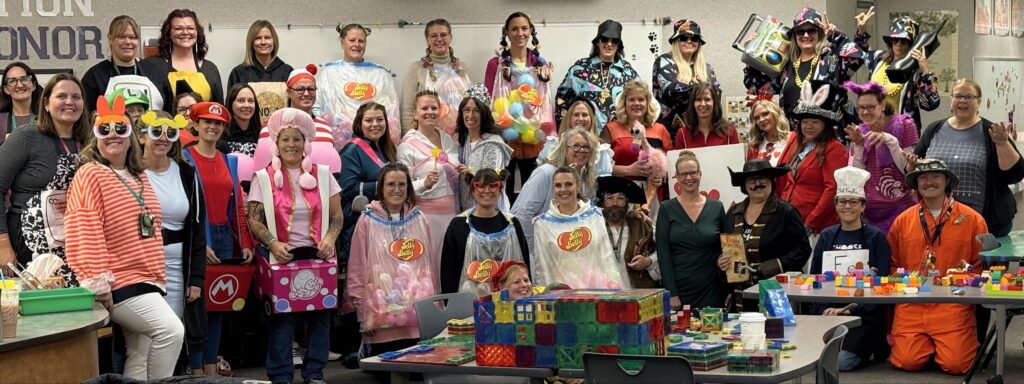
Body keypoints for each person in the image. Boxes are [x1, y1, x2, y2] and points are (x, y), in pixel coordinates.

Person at [65, 96, 183, 380]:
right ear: (95, 136)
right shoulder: (90, 173)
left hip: (149, 277)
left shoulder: (138, 175)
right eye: (104, 130)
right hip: (119, 281)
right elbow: (83, 228)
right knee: (171, 332)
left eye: (121, 128)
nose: (114, 135)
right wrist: (97, 282)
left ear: (132, 136)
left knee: (141, 352)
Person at [246, 108, 342, 384]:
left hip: (319, 255)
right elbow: (254, 219)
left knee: (321, 320)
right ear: (276, 143)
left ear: (306, 143)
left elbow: (337, 215)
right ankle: (281, 377)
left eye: (297, 139)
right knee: (282, 322)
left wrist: (330, 239)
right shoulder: (263, 178)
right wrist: (272, 243)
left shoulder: (323, 175)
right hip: (282, 258)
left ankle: (315, 373)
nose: (291, 145)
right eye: (285, 139)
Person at [887, 158, 983, 375]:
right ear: (917, 183)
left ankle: (942, 347)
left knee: (957, 365)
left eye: (935, 176)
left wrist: (962, 288)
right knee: (908, 361)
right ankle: (927, 346)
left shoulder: (972, 219)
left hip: (953, 304)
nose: (929, 182)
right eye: (923, 177)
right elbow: (893, 265)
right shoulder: (902, 221)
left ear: (947, 180)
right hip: (912, 302)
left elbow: (979, 266)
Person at [183, 101, 253, 376]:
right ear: (196, 125)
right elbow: (188, 209)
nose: (212, 127)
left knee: (219, 306)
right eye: (207, 122)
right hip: (200, 237)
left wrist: (245, 242)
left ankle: (211, 368)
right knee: (197, 308)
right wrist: (202, 243)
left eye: (218, 123)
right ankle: (195, 368)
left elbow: (235, 206)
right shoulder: (185, 160)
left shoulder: (227, 160)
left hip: (224, 237)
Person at [136, 109, 208, 372]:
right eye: (156, 132)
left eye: (170, 133)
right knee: (140, 343)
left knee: (174, 335)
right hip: (141, 267)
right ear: (142, 137)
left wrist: (196, 279)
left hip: (179, 268)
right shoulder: (129, 172)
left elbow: (198, 229)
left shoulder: (187, 173)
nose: (163, 139)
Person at [0, 73, 88, 277]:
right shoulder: (26, 136)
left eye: (76, 97)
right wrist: (3, 244)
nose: (69, 102)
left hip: (76, 244)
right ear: (47, 104)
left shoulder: (89, 142)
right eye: (61, 96)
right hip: (28, 244)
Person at [346, 162, 438, 356]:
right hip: (382, 319)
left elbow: (429, 267)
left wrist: (434, 307)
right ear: (380, 188)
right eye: (391, 184)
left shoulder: (419, 218)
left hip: (416, 318)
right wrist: (363, 312)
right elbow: (357, 267)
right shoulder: (368, 220)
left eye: (402, 185)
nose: (397, 190)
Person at [912, 79, 1024, 237]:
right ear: (951, 100)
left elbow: (1015, 174)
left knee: (984, 263)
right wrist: (911, 165)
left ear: (978, 102)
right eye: (958, 96)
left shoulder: (992, 132)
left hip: (986, 223)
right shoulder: (934, 129)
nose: (962, 101)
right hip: (939, 223)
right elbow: (915, 168)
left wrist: (1002, 144)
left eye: (969, 97)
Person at [809, 166, 891, 371]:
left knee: (839, 362)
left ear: (863, 206)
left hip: (862, 316)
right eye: (843, 201)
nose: (848, 206)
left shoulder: (877, 238)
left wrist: (848, 308)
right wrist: (824, 309)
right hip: (828, 314)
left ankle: (868, 348)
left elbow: (882, 283)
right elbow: (814, 280)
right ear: (835, 204)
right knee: (809, 356)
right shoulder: (826, 236)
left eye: (853, 202)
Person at [743, 6, 864, 126]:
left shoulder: (831, 59)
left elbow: (857, 58)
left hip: (828, 136)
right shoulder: (786, 66)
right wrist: (751, 51)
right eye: (800, 31)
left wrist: (835, 36)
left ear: (819, 33)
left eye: (811, 30)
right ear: (795, 36)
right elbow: (758, 87)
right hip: (795, 137)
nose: (806, 35)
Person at [484, 12, 554, 205]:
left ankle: (528, 229)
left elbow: (545, 100)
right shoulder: (495, 64)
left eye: (524, 28)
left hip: (533, 134)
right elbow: (490, 97)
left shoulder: (540, 64)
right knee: (504, 187)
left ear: (531, 31)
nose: (520, 33)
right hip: (506, 133)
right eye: (514, 29)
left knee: (533, 188)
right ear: (506, 32)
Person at [723, 159, 810, 311]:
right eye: (751, 180)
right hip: (741, 294)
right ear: (744, 185)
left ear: (771, 181)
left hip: (777, 290)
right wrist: (722, 262)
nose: (757, 184)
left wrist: (772, 267)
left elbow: (802, 250)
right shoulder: (733, 213)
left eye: (763, 178)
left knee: (775, 333)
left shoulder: (786, 212)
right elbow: (727, 252)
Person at [532, 166, 627, 289]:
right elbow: (543, 268)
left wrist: (615, 287)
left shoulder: (595, 216)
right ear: (553, 189)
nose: (563, 189)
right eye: (558, 185)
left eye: (568, 184)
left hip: (597, 293)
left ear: (578, 186)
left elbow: (606, 257)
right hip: (563, 298)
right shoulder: (543, 224)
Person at [511, 127, 601, 257]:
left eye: (587, 147)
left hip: (570, 253)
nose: (581, 150)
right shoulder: (546, 173)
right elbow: (522, 213)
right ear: (564, 149)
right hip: (542, 252)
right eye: (575, 146)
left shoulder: (587, 180)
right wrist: (533, 251)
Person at [657, 151, 728, 310]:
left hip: (712, 287)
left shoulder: (717, 207)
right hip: (680, 289)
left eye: (693, 173)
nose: (689, 178)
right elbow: (663, 253)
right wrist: (671, 292)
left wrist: (729, 288)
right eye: (683, 174)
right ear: (677, 177)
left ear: (700, 174)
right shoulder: (666, 208)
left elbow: (726, 247)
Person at [440, 169, 529, 296]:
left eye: (493, 186)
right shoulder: (458, 225)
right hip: (469, 306)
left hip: (510, 304)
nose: (487, 191)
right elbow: (449, 271)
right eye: (481, 186)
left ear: (500, 190)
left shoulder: (512, 223)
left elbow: (524, 264)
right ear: (472, 190)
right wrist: (450, 304)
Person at [843, 81, 918, 232]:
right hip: (871, 210)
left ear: (882, 105)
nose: (865, 112)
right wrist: (858, 145)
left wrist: (889, 140)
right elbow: (859, 175)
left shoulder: (904, 124)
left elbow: (907, 168)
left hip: (901, 205)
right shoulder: (860, 131)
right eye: (861, 108)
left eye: (871, 107)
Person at [397, 90, 465, 257]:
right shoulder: (407, 145)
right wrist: (423, 184)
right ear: (415, 114)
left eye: (434, 108)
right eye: (424, 108)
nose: (430, 112)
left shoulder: (448, 140)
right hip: (425, 216)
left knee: (448, 263)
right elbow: (400, 187)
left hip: (451, 214)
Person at [778, 81, 847, 240]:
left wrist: (811, 222)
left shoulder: (834, 149)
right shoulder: (798, 146)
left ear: (826, 125)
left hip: (816, 228)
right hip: (790, 222)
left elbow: (832, 189)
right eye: (805, 121)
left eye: (815, 122)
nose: (809, 126)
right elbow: (790, 183)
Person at [854, 11, 940, 132]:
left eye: (904, 41)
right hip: (872, 127)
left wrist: (925, 72)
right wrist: (861, 30)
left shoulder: (916, 72)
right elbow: (858, 53)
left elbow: (931, 104)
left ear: (912, 44)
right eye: (895, 39)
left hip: (902, 133)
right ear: (890, 42)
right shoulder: (879, 59)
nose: (899, 44)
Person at [317, 24, 401, 144]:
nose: (357, 44)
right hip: (340, 142)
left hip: (375, 141)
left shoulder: (380, 73)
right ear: (342, 43)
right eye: (352, 40)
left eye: (361, 41)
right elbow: (321, 109)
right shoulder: (329, 73)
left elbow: (391, 111)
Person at [556, 19, 641, 133]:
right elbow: (561, 99)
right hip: (585, 136)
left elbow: (641, 103)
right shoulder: (579, 69)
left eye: (614, 40)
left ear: (619, 45)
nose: (609, 44)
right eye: (604, 39)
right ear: (597, 42)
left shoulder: (628, 72)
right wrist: (565, 132)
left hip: (619, 136)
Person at [338, 102, 396, 258]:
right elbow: (347, 189)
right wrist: (384, 186)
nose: (375, 124)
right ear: (359, 123)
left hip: (384, 222)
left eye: (380, 120)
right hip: (360, 225)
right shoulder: (351, 150)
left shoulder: (386, 149)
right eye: (369, 120)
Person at [141, 9, 224, 111]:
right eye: (178, 28)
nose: (185, 32)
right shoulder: (153, 66)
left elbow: (218, 110)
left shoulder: (210, 69)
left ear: (197, 32)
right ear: (168, 33)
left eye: (190, 28)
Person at [401, 18, 472, 136]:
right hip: (428, 137)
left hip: (462, 136)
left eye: (443, 35)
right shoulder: (416, 69)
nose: (439, 39)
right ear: (427, 40)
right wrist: (410, 138)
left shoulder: (462, 68)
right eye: (434, 36)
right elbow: (407, 110)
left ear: (450, 38)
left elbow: (472, 104)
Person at [653, 19, 721, 140]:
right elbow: (673, 90)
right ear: (676, 41)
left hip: (701, 131)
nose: (689, 41)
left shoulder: (706, 67)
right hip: (671, 133)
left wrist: (689, 88)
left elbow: (717, 93)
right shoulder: (664, 62)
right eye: (684, 38)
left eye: (694, 38)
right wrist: (702, 87)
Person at [83, 15, 162, 114]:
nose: (128, 42)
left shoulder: (155, 72)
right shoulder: (95, 76)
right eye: (121, 37)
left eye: (132, 37)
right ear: (110, 39)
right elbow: (86, 118)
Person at [597, 175, 660, 289]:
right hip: (604, 296)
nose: (615, 203)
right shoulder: (594, 226)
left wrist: (649, 261)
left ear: (627, 202)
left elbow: (664, 251)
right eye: (610, 198)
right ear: (602, 202)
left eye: (620, 198)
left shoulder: (642, 224)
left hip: (639, 295)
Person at [457, 84, 513, 210]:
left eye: (476, 110)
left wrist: (471, 172)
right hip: (469, 211)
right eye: (466, 110)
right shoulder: (463, 141)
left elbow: (492, 182)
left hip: (492, 212)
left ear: (484, 114)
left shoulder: (493, 144)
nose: (470, 115)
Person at [227, 20, 293, 89]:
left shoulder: (287, 71)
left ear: (274, 41)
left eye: (267, 37)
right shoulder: (238, 73)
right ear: (251, 42)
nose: (263, 42)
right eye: (258, 38)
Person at [673, 81, 739, 148]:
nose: (703, 104)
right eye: (698, 99)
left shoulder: (730, 132)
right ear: (693, 103)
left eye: (707, 99)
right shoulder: (682, 135)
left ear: (715, 103)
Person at [0, 62, 42, 143]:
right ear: (6, 89)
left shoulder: (47, 119)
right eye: (12, 81)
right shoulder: (1, 121)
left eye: (24, 79)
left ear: (34, 85)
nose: (19, 85)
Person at [217, 83, 262, 156]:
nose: (247, 105)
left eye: (250, 101)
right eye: (241, 100)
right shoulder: (219, 135)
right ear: (230, 103)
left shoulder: (262, 135)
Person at [745, 99, 793, 165]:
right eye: (757, 118)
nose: (761, 119)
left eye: (765, 114)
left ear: (775, 113)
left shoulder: (793, 140)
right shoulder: (754, 146)